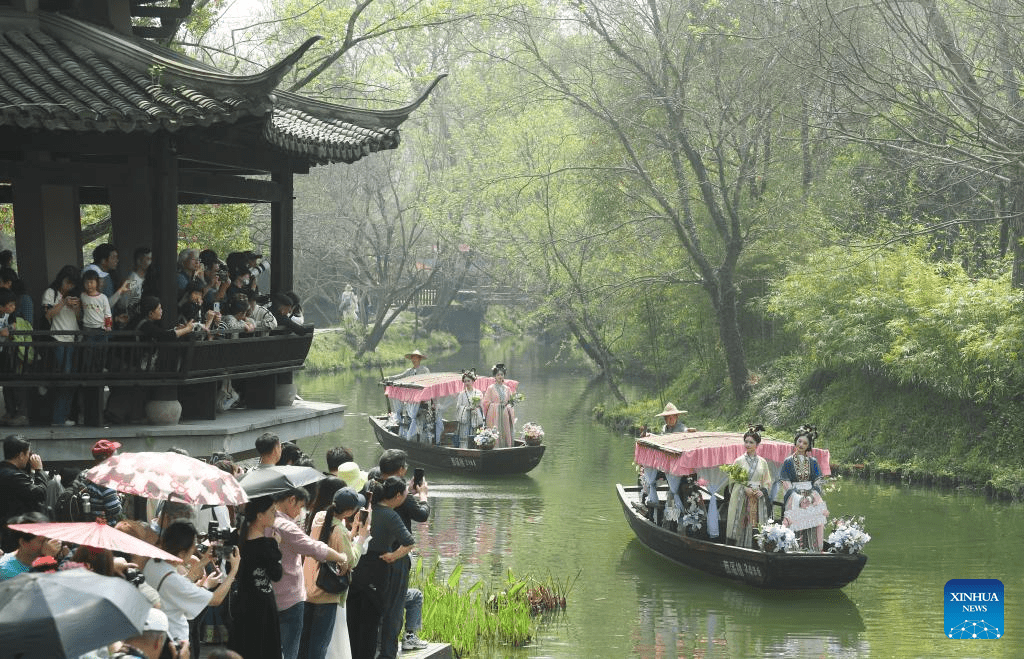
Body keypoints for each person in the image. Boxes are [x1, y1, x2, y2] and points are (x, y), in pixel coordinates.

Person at [271, 487, 351, 659]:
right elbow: (314, 548)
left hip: (271, 597)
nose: (300, 512)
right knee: (293, 651)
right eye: (300, 506)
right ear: (291, 500)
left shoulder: (262, 522)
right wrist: (341, 556)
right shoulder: (285, 525)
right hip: (289, 599)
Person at [348, 477, 415, 659]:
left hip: (356, 566)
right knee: (370, 622)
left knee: (352, 619)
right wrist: (393, 556)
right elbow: (409, 542)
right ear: (398, 495)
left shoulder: (362, 511)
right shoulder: (390, 515)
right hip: (378, 569)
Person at [142, 520, 240, 644]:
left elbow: (175, 587)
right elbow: (216, 599)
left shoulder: (153, 563)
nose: (195, 549)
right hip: (175, 640)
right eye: (192, 547)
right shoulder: (173, 579)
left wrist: (204, 561)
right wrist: (234, 570)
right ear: (182, 553)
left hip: (160, 634)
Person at [300, 484, 369, 659]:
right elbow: (350, 560)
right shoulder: (339, 530)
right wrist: (361, 538)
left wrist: (350, 532)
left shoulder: (319, 517)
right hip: (326, 591)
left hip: (308, 586)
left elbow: (331, 540)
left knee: (304, 642)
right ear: (348, 512)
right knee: (319, 646)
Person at [375, 450, 429, 657]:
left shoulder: (373, 483)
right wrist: (422, 495)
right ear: (401, 470)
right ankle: (389, 652)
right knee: (394, 607)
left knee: (378, 604)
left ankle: (376, 648)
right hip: (396, 556)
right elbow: (422, 516)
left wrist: (406, 492)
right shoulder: (401, 501)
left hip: (372, 555)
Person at [228, 496, 284, 659]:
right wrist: (276, 546)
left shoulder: (236, 539)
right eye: (272, 511)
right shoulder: (267, 545)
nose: (276, 515)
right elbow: (276, 574)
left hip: (242, 603)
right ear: (260, 515)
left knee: (243, 648)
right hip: (263, 605)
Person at [42, 265, 82, 426]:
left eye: (72, 284)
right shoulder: (50, 293)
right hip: (58, 340)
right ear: (61, 279)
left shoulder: (76, 295)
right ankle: (58, 419)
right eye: (67, 282)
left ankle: (63, 417)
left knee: (71, 381)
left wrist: (76, 307)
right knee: (64, 379)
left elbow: (79, 318)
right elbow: (47, 315)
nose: (69, 286)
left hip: (73, 340)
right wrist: (63, 302)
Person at [778, 426, 829, 552]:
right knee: (795, 522)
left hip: (811, 495)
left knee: (814, 521)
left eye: (805, 443)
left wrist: (812, 497)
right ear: (796, 441)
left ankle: (813, 549)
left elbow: (818, 480)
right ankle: (794, 549)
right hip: (794, 496)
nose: (801, 445)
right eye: (799, 441)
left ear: (808, 446)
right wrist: (797, 498)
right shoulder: (788, 462)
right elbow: (785, 481)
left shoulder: (813, 462)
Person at [725, 425, 773, 548]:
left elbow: (767, 481)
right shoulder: (738, 461)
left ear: (757, 444)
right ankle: (739, 547)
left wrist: (763, 491)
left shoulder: (763, 462)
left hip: (757, 497)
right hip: (743, 497)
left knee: (756, 523)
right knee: (742, 522)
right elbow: (732, 481)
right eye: (746, 442)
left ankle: (756, 547)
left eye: (751, 442)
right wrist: (743, 488)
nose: (747, 444)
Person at [0, 512, 62, 580]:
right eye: (41, 541)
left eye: (48, 539)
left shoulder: (44, 559)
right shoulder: (5, 571)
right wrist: (47, 559)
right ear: (23, 542)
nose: (48, 545)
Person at [0, 434, 48, 521]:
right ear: (22, 455)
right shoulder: (15, 476)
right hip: (13, 527)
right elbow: (40, 494)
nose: (29, 457)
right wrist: (39, 470)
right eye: (28, 453)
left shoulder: (5, 471)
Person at [482, 363, 515, 448]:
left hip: (504, 413)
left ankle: (506, 446)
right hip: (494, 415)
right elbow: (486, 402)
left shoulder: (507, 389)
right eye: (498, 375)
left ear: (504, 376)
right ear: (495, 376)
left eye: (502, 374)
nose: (500, 376)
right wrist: (496, 406)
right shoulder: (491, 388)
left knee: (505, 430)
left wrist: (508, 406)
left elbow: (510, 402)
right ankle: (495, 446)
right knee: (495, 429)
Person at [454, 370, 483, 448]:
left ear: (473, 381)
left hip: (475, 416)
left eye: (468, 381)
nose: (466, 383)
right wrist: (466, 408)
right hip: (465, 417)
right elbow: (458, 407)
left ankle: (475, 448)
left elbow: (481, 406)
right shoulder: (462, 394)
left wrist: (476, 409)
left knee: (475, 434)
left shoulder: (478, 393)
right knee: (464, 435)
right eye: (465, 381)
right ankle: (464, 448)